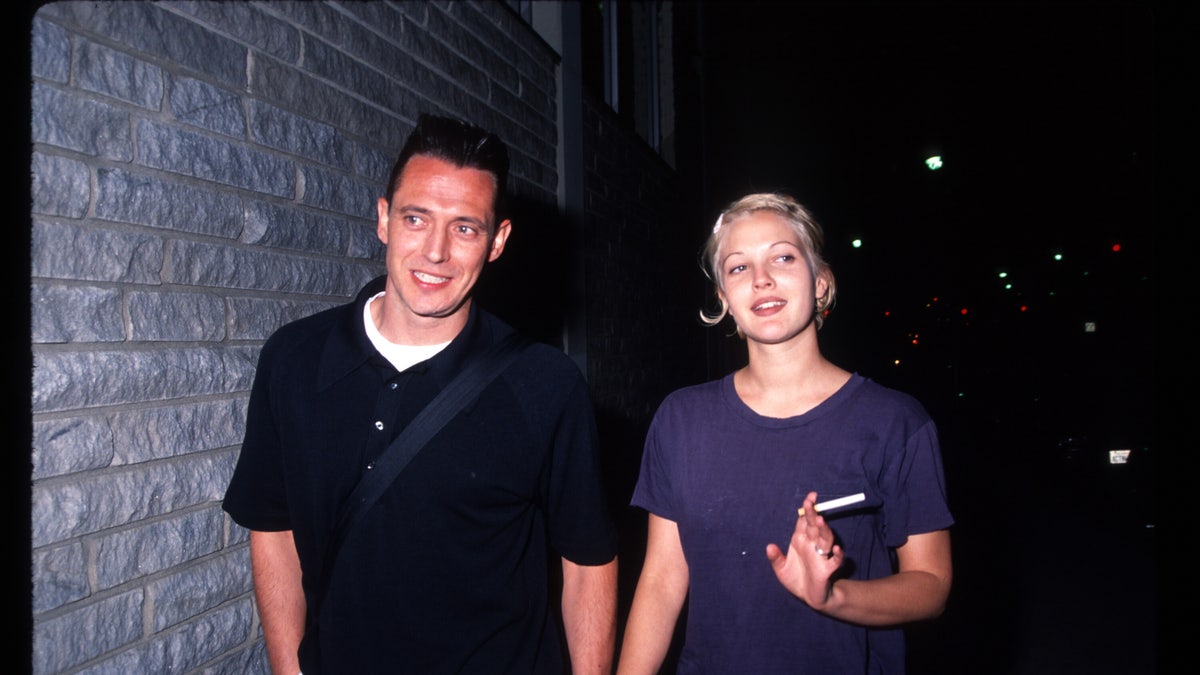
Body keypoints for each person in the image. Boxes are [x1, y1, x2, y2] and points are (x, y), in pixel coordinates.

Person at [223, 113, 619, 674]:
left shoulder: (545, 385)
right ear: (384, 219)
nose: (436, 252)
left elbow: (588, 564)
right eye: (416, 218)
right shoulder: (293, 360)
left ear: (497, 241)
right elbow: (273, 526)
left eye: (464, 228)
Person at [617, 193, 953, 674]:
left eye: (783, 257)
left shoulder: (895, 421)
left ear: (821, 283)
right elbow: (662, 579)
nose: (762, 279)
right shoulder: (681, 419)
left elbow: (931, 584)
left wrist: (833, 595)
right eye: (738, 268)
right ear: (723, 300)